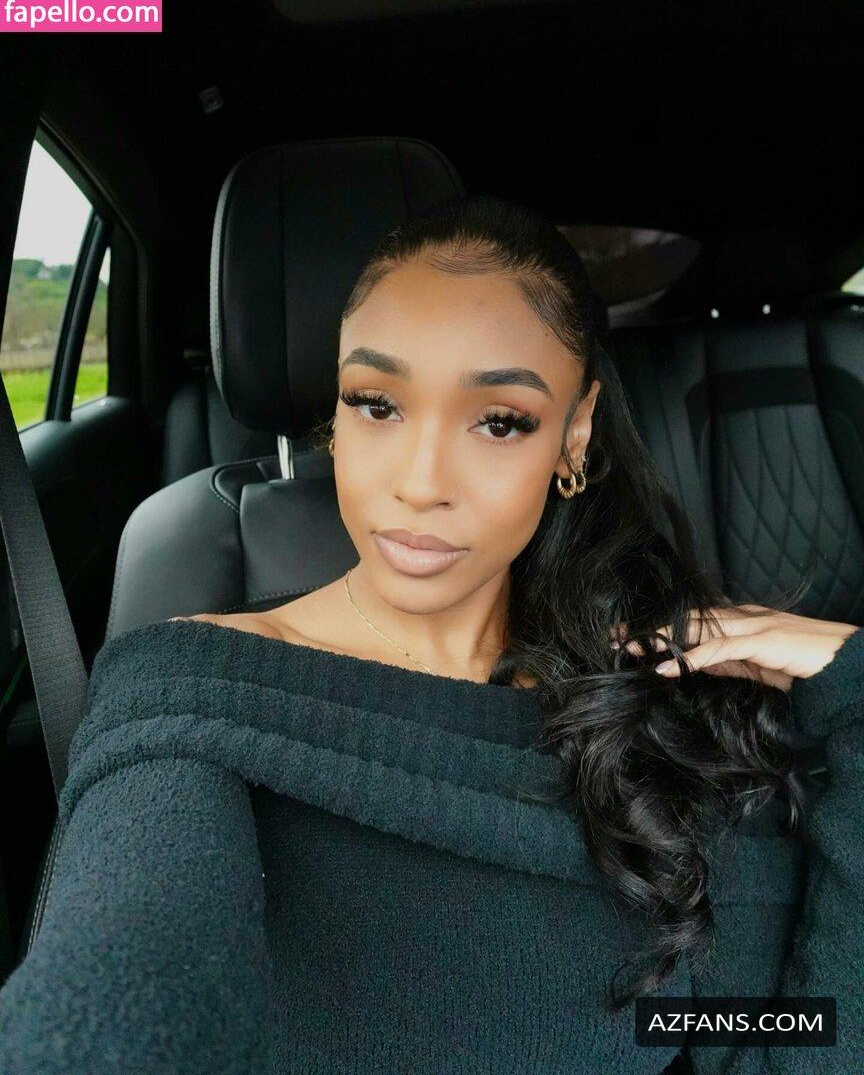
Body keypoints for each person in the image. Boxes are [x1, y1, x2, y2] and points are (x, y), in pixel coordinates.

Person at [0, 194, 860, 1073]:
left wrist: (856, 686)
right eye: (378, 404)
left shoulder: (656, 701)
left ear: (575, 435)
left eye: (499, 421)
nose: (420, 483)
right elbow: (123, 976)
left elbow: (789, 1036)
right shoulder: (191, 693)